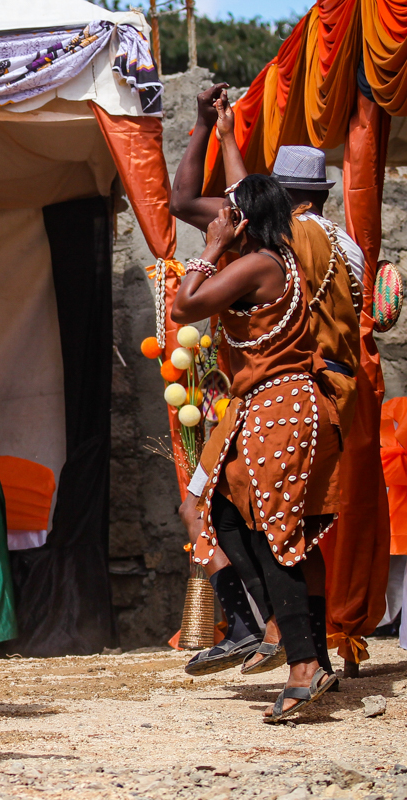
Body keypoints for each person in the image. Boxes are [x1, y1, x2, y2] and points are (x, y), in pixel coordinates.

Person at [171, 85, 363, 680]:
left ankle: (292, 650)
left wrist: (210, 248)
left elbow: (183, 307)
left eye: (236, 205)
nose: (224, 210)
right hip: (282, 403)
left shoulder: (274, 254)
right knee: (255, 521)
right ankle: (291, 641)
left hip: (282, 403)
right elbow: (201, 199)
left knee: (271, 531)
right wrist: (220, 132)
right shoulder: (297, 241)